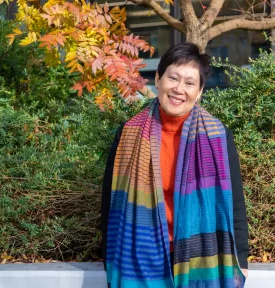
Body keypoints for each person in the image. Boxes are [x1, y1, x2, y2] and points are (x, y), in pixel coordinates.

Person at [100, 42, 249, 288]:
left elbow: (234, 204)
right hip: (138, 257)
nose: (179, 89)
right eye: (173, 78)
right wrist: (109, 258)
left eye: (190, 83)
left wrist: (241, 258)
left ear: (199, 91)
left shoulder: (219, 136)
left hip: (200, 256)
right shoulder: (128, 134)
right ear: (158, 80)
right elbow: (110, 202)